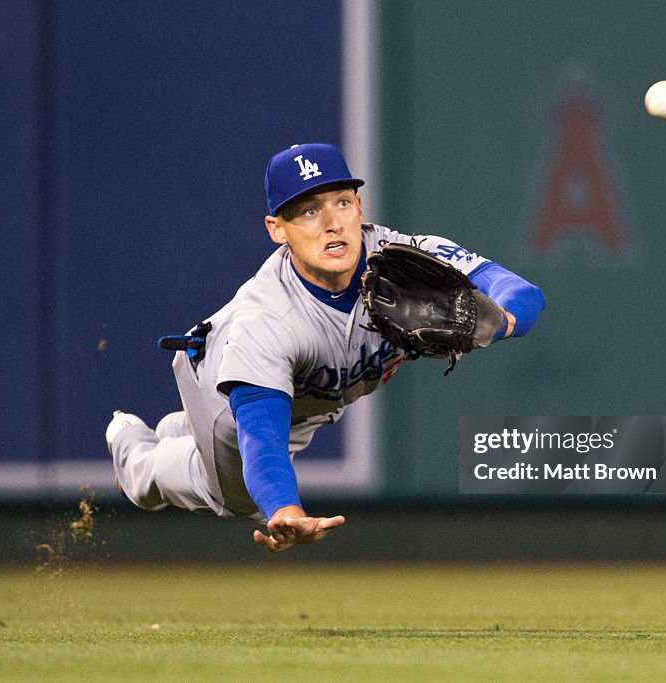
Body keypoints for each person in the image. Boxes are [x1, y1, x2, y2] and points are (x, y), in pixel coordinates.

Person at [106, 142, 545, 553]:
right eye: (308, 210)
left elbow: (522, 293)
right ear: (277, 230)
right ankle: (134, 451)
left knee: (280, 429)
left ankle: (180, 431)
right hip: (225, 388)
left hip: (312, 397)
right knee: (238, 495)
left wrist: (502, 321)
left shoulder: (404, 254)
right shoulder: (267, 322)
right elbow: (263, 439)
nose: (332, 222)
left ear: (360, 206)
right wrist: (284, 510)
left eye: (342, 201)